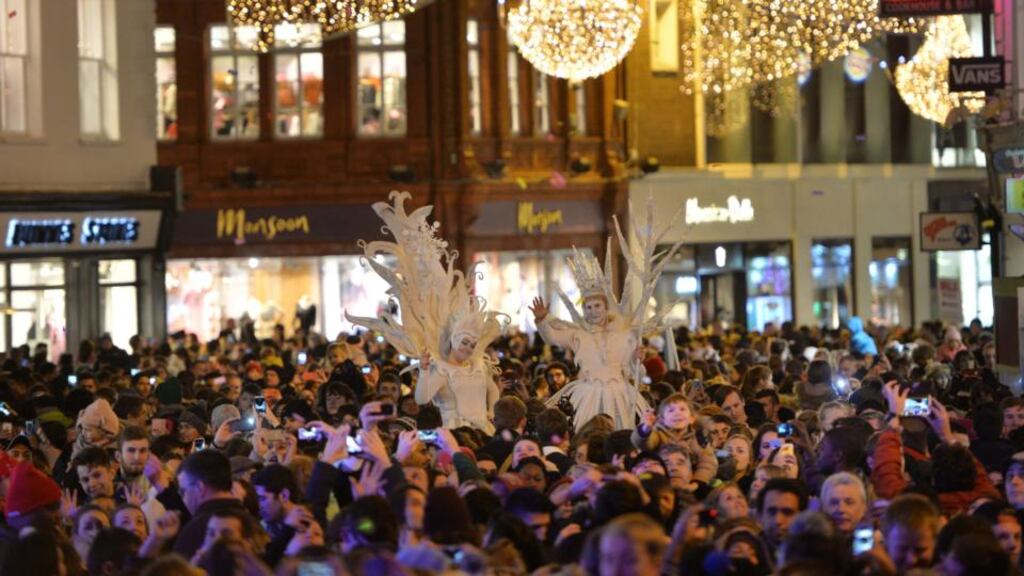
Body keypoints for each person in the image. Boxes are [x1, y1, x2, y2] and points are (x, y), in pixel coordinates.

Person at [173, 449, 252, 559]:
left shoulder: (196, 531)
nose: (183, 499)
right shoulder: (253, 522)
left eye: (183, 491)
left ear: (200, 488)